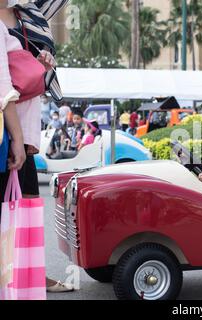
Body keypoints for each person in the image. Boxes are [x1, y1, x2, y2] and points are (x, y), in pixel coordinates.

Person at [0, 0, 73, 293]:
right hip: (8, 131)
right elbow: (3, 86)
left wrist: (38, 64)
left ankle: (28, 274)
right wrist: (16, 138)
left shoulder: (25, 12)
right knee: (10, 208)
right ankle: (14, 278)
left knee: (26, 204)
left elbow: (20, 76)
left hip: (24, 128)